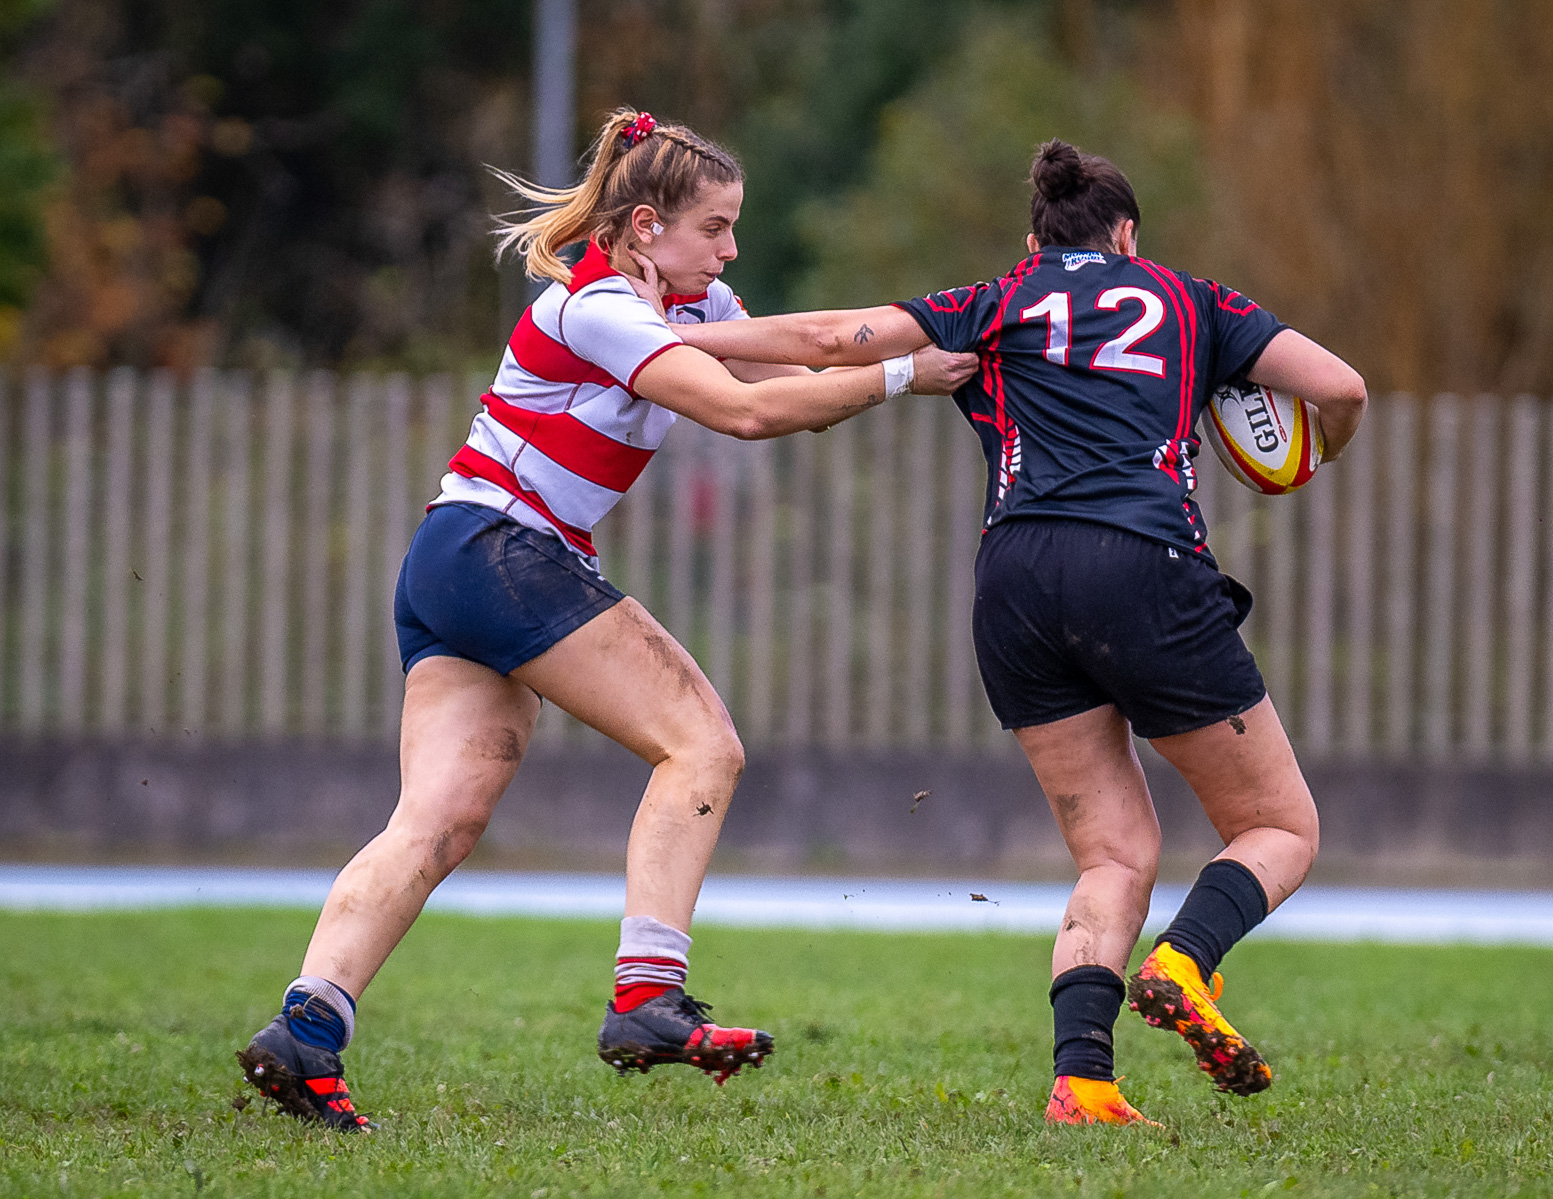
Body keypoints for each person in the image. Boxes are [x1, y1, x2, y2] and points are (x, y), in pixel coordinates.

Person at [234, 107, 977, 1130]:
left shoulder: (693, 298)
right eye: (712, 227)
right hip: (503, 552)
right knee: (702, 747)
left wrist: (931, 368)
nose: (728, 248)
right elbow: (749, 412)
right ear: (639, 229)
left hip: (455, 557)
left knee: (437, 818)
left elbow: (796, 371)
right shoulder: (594, 306)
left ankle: (307, 1028)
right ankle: (646, 1000)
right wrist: (907, 371)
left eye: (731, 227)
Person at [673, 139, 1367, 1126]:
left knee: (1113, 852)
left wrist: (672, 338)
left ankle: (1082, 1080)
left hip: (1017, 581)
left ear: (1032, 238)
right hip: (1142, 562)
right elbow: (1340, 388)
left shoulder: (996, 303)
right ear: (1128, 235)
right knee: (1278, 826)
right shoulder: (1191, 300)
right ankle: (1185, 961)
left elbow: (831, 338)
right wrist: (1305, 459)